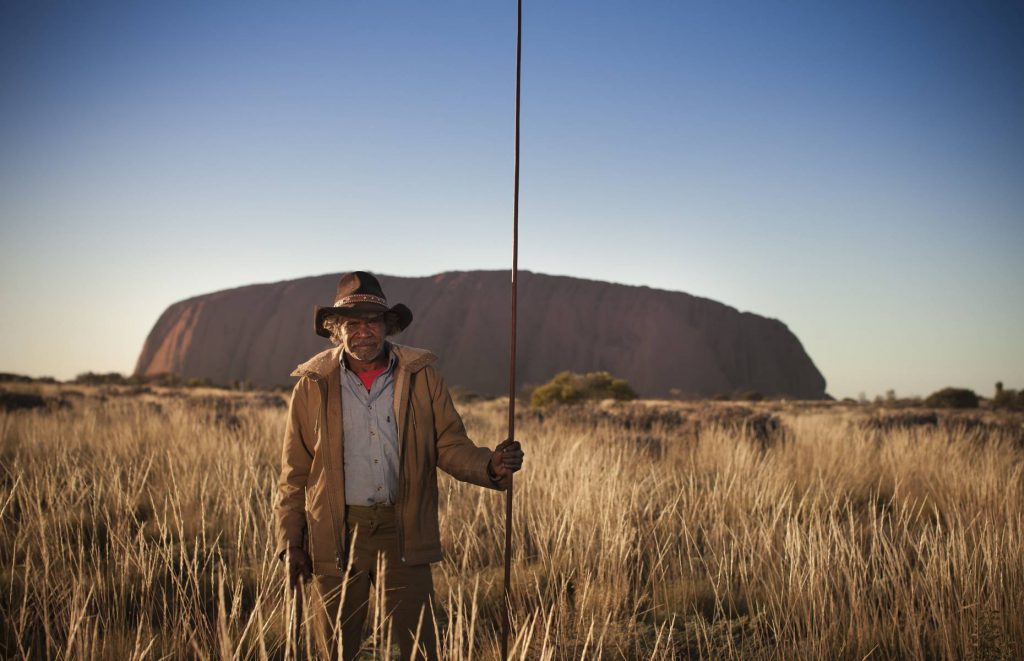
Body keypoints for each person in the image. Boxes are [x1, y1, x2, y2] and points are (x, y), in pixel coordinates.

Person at [275, 271, 524, 660]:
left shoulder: (421, 375)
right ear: (336, 329)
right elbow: (294, 473)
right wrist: (291, 542)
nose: (363, 332)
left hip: (403, 529)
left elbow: (448, 445)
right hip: (337, 533)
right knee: (337, 648)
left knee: (418, 648)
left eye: (372, 322)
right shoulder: (313, 384)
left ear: (387, 326)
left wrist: (489, 465)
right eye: (351, 323)